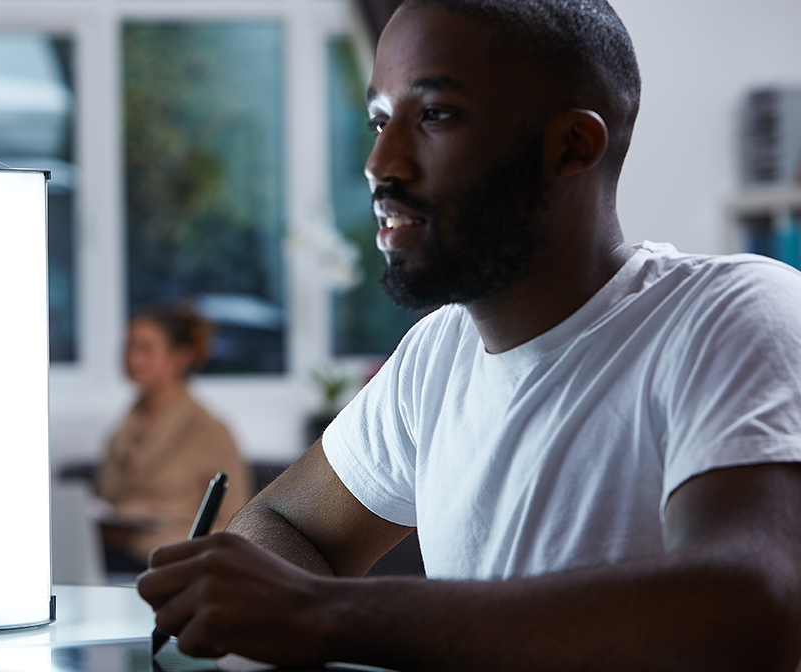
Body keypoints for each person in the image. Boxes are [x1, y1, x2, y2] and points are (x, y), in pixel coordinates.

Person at [136, 1, 801, 669]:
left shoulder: (733, 312)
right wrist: (289, 606)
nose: (380, 163)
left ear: (572, 145)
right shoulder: (436, 355)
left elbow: (751, 606)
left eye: (434, 116)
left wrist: (319, 615)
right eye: (378, 120)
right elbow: (281, 524)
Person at [96, 306, 252, 572]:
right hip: (113, 555)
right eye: (129, 347)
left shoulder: (210, 430)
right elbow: (107, 498)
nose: (132, 358)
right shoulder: (124, 428)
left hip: (173, 560)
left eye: (145, 349)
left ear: (180, 357)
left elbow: (235, 522)